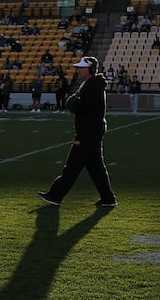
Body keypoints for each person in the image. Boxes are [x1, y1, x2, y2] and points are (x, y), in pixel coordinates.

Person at [38, 56, 116, 208]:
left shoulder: (91, 86)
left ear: (90, 69)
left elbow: (76, 106)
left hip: (87, 133)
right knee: (96, 169)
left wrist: (73, 101)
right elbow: (73, 102)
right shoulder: (90, 84)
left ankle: (55, 196)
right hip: (92, 132)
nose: (79, 70)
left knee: (72, 167)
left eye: (82, 67)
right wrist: (73, 101)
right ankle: (108, 198)